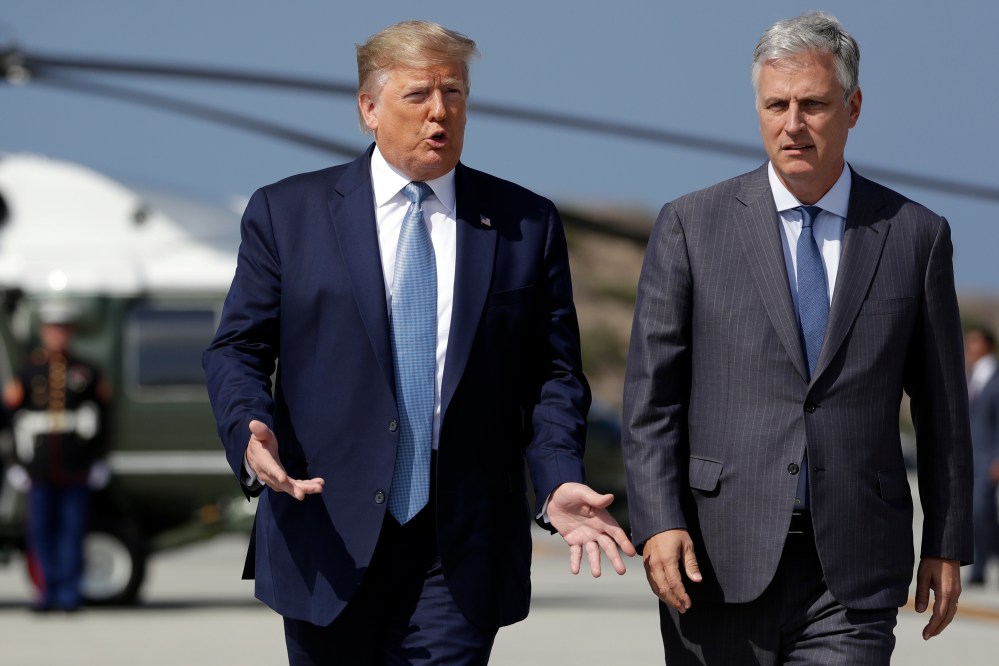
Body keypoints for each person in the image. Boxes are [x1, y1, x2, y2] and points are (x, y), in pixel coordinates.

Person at [202, 19, 634, 665]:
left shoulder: (524, 223)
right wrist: (249, 428)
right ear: (368, 109)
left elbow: (553, 376)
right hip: (327, 530)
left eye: (454, 94)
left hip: (459, 543)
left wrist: (555, 479)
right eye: (418, 96)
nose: (440, 113)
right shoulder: (286, 214)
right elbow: (236, 348)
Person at [621, 11, 973, 664]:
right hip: (713, 561)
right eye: (775, 104)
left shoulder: (915, 236)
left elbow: (943, 411)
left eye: (812, 104)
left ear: (852, 106)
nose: (792, 123)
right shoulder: (690, 226)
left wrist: (946, 542)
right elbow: (650, 401)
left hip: (853, 569)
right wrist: (658, 522)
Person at [2, 300, 110, 612]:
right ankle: (46, 592)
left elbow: (103, 420)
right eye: (52, 329)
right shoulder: (29, 370)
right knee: (41, 533)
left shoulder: (87, 371)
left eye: (63, 329)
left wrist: (99, 459)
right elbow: (12, 418)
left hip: (76, 467)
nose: (57, 335)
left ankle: (69, 594)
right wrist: (15, 463)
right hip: (38, 467)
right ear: (43, 332)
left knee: (72, 532)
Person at [965, 324, 999, 586]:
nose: (968, 348)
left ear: (987, 345)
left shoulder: (994, 379)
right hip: (969, 460)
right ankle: (979, 568)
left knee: (980, 510)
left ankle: (980, 569)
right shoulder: (970, 378)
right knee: (975, 513)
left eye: (974, 343)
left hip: (989, 458)